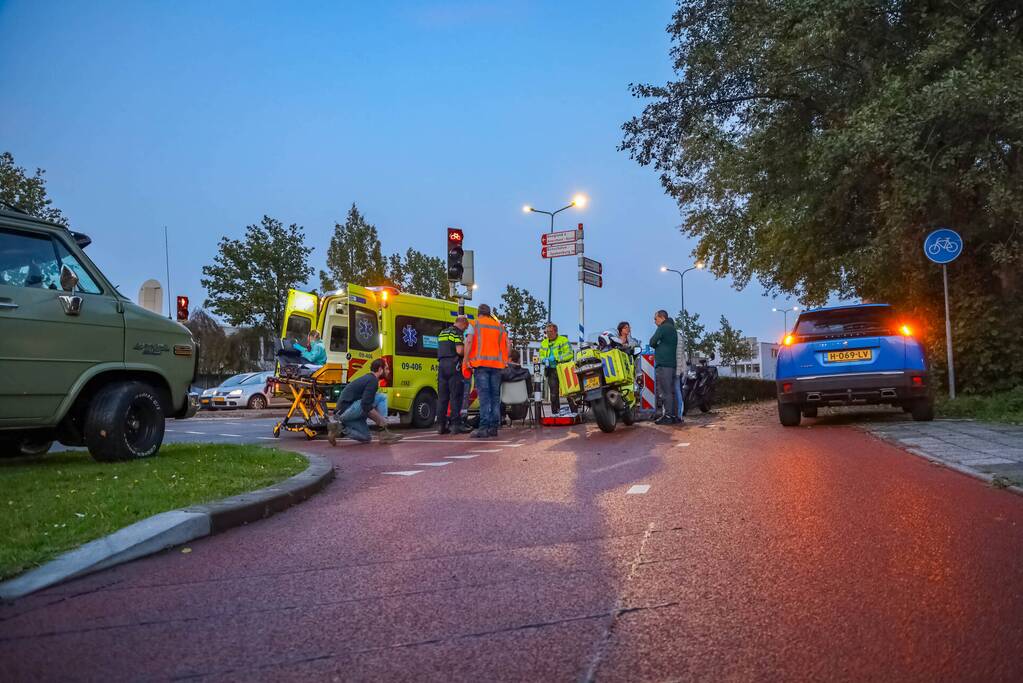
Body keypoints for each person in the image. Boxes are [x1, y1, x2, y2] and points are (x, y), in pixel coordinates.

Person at [327, 359, 402, 445]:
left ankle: (340, 430)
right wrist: (381, 421)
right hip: (347, 411)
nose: (388, 372)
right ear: (380, 369)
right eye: (387, 369)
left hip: (344, 414)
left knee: (366, 437)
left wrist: (376, 418)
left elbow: (366, 406)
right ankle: (384, 432)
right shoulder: (372, 380)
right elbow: (365, 405)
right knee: (382, 397)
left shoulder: (368, 378)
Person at [464, 303, 509, 438]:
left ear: (479, 313)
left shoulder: (475, 324)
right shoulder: (499, 327)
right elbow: (507, 344)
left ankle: (483, 427)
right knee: (495, 397)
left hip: (481, 365)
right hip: (497, 366)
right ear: (489, 313)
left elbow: (469, 341)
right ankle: (494, 428)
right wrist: (505, 361)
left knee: (484, 397)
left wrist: (466, 360)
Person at [437, 315, 470, 434]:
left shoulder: (442, 332)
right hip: (453, 365)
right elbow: (459, 351)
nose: (465, 329)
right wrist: (467, 349)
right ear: (463, 323)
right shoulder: (457, 333)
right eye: (465, 327)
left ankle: (441, 425)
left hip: (441, 365)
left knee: (442, 397)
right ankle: (456, 425)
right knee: (456, 395)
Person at [649, 309, 679, 425]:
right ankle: (674, 416)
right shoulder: (673, 329)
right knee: (671, 391)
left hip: (663, 364)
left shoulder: (663, 328)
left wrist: (658, 345)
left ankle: (667, 416)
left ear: (662, 318)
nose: (655, 321)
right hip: (671, 364)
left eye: (655, 319)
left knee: (665, 392)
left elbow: (652, 342)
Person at [539, 322, 574, 416]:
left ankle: (574, 412)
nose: (548, 334)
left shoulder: (563, 340)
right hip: (551, 370)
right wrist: (544, 360)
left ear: (556, 331)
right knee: (554, 394)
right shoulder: (544, 343)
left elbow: (570, 354)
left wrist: (557, 358)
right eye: (547, 332)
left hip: (563, 369)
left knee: (569, 392)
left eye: (550, 331)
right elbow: (541, 356)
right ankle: (555, 413)